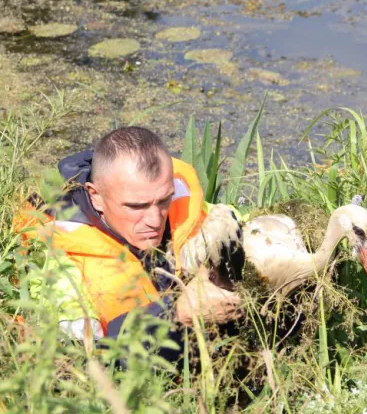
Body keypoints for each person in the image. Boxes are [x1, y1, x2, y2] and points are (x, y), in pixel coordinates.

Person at [13, 126, 242, 347]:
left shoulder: (182, 204)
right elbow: (78, 364)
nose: (155, 220)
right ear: (96, 197)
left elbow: (256, 230)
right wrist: (175, 315)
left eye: (163, 201)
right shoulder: (62, 263)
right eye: (136, 206)